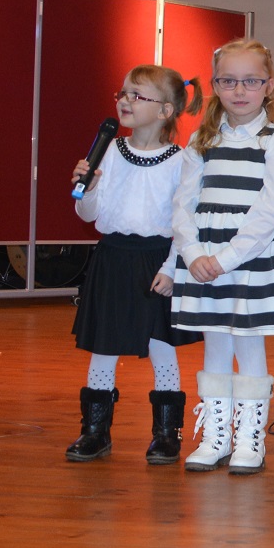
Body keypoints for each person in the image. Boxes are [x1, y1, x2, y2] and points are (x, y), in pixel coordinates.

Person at [65, 65, 202, 465]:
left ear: (164, 111)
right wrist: (88, 188)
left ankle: (166, 434)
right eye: (122, 93)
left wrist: (173, 268)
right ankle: (95, 430)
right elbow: (89, 214)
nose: (125, 101)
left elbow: (184, 223)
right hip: (112, 256)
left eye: (136, 95)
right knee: (104, 344)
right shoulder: (108, 150)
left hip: (157, 260)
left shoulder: (180, 161)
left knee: (161, 346)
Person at [170, 39, 274, 474]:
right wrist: (193, 253)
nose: (239, 90)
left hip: (249, 259)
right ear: (215, 85)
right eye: (228, 81)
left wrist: (226, 258)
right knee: (215, 344)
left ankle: (249, 439)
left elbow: (271, 210)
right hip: (203, 258)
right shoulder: (200, 140)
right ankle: (217, 435)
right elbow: (182, 204)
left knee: (248, 343)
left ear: (269, 86)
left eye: (251, 81)